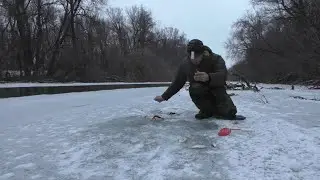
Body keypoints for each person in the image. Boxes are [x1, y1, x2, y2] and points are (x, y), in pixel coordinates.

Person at [154, 39, 238, 120]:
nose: (194, 60)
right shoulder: (185, 64)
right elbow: (178, 82)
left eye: (197, 57)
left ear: (203, 53)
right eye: (192, 57)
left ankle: (222, 110)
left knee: (230, 113)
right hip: (200, 92)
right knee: (195, 88)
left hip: (217, 91)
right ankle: (206, 111)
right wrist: (164, 97)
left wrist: (208, 77)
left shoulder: (216, 59)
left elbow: (223, 76)